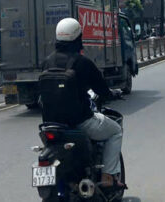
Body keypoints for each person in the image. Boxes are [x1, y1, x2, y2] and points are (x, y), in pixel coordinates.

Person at [40, 18, 124, 189]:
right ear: (78, 38)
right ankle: (108, 176)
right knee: (116, 131)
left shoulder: (47, 62)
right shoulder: (82, 62)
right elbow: (102, 89)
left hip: (50, 125)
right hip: (80, 123)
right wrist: (112, 94)